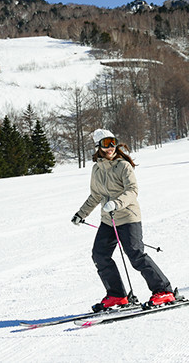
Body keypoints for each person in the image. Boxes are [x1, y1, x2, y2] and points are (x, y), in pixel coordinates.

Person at [71, 128, 179, 312]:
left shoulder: (123, 166)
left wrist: (116, 203)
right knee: (99, 255)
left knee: (136, 255)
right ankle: (117, 296)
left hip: (128, 216)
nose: (111, 147)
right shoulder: (97, 169)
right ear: (98, 146)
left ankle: (164, 290)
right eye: (106, 143)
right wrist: (81, 213)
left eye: (113, 142)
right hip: (108, 220)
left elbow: (132, 191)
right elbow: (95, 196)